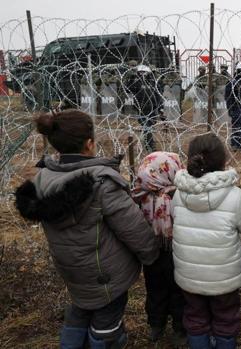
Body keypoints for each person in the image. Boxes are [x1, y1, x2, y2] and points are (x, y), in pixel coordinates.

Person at [14, 109, 160, 349]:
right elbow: (133, 229)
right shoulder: (102, 183)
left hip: (72, 270)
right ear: (90, 144)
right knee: (106, 322)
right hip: (107, 275)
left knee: (80, 308)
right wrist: (151, 255)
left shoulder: (43, 178)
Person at [172, 133, 241, 349]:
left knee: (195, 318)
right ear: (224, 161)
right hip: (224, 278)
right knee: (226, 318)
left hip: (189, 275)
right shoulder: (235, 196)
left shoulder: (178, 194)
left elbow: (174, 218)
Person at [132, 152, 187, 344]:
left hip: (152, 251)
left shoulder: (140, 194)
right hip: (172, 251)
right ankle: (166, 325)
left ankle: (163, 325)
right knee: (173, 289)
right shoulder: (180, 194)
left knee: (156, 288)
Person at [129, 64, 162, 152]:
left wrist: (160, 108)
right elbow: (128, 88)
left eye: (144, 72)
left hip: (152, 109)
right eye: (140, 72)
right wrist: (132, 77)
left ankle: (147, 143)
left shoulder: (152, 83)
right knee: (147, 127)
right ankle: (150, 146)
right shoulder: (137, 83)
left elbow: (158, 95)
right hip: (141, 109)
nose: (142, 74)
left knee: (148, 127)